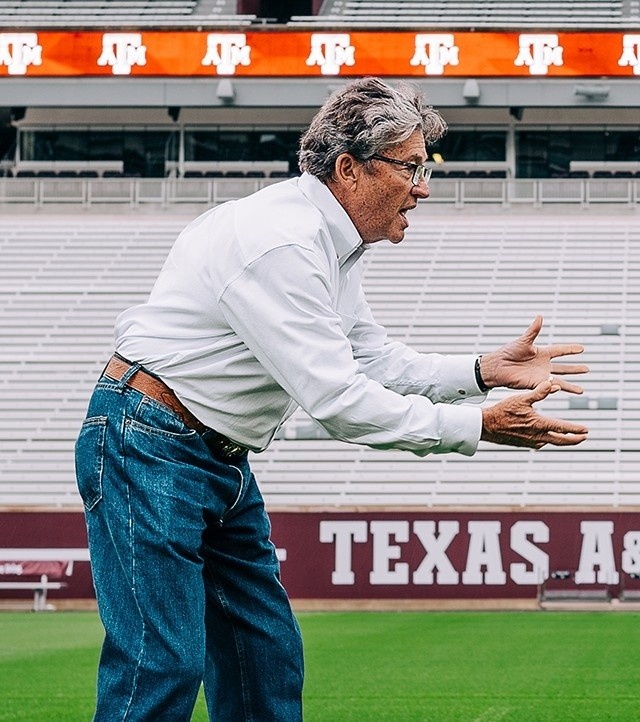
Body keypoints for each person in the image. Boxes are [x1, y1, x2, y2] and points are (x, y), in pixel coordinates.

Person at [74, 77, 589, 721]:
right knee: (161, 663)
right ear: (349, 168)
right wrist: (478, 426)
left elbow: (370, 357)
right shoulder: (283, 242)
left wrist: (481, 371)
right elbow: (339, 400)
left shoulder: (326, 239)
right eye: (410, 166)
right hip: (151, 443)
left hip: (207, 451)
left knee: (264, 657)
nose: (424, 186)